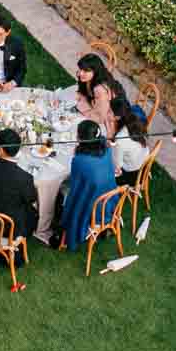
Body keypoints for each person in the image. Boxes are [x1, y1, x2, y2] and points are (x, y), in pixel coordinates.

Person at [55, 119, 118, 250]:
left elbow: (74, 188)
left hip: (93, 207)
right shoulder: (106, 148)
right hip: (109, 199)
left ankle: (61, 227)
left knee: (61, 189)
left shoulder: (80, 160)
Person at [75, 53, 119, 138]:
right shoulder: (87, 79)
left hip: (105, 121)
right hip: (93, 107)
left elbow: (100, 118)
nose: (80, 73)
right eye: (80, 69)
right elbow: (81, 93)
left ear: (95, 71)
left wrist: (80, 105)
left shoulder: (100, 90)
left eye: (85, 71)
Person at [112, 99, 150, 183]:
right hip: (144, 165)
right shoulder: (137, 122)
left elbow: (117, 166)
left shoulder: (120, 139)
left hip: (132, 175)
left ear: (117, 117)